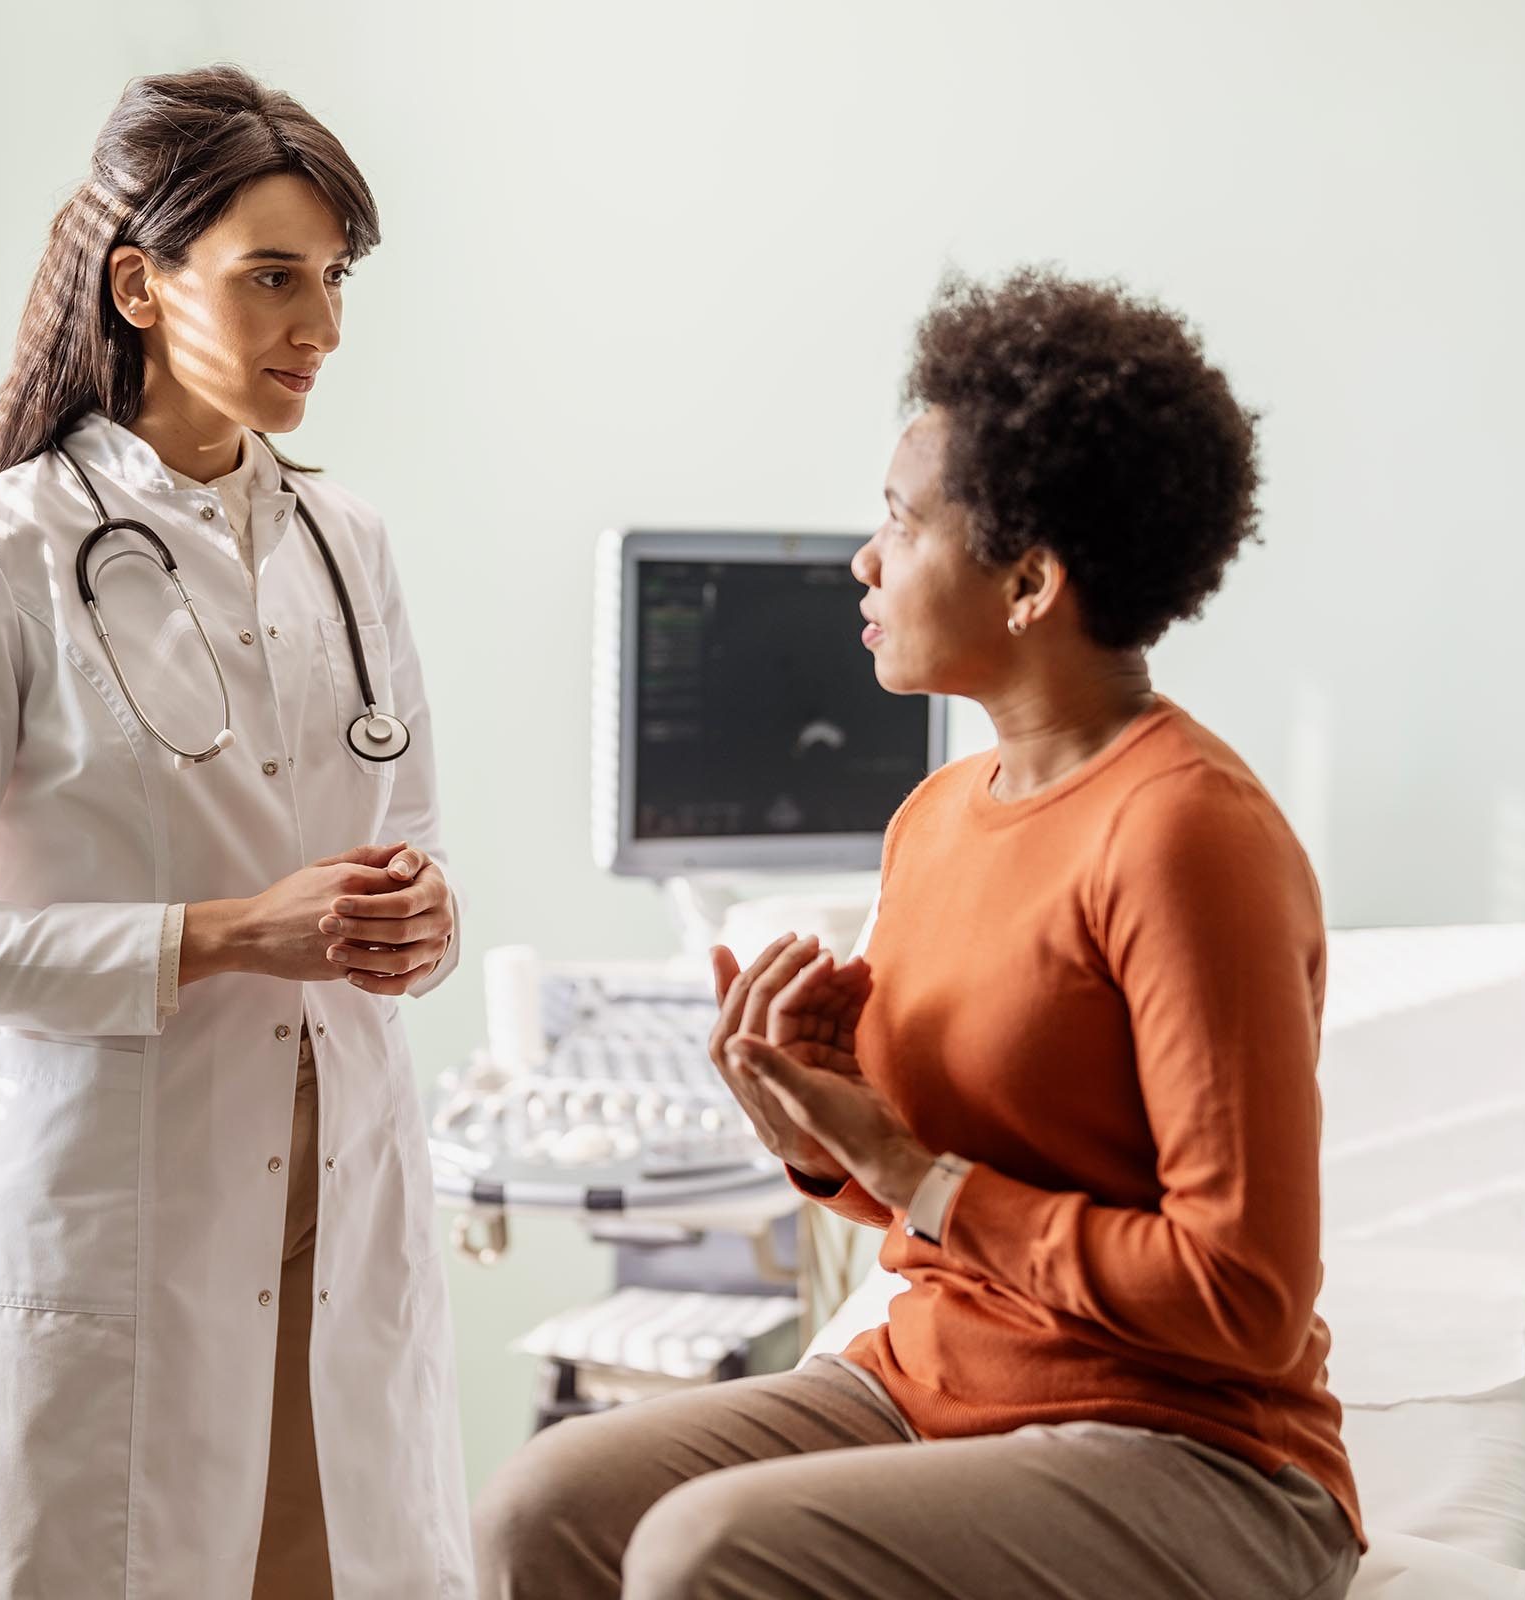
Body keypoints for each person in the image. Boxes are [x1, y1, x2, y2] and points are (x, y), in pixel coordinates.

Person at [474, 269, 1363, 1599]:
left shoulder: (1187, 836)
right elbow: (919, 1183)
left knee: (699, 1555)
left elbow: (1243, 1295)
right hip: (935, 1380)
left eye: (899, 518)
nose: (864, 558)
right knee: (541, 1505)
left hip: (1196, 1451)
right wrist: (819, 1127)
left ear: (1030, 581)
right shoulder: (936, 816)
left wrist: (909, 1162)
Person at [0, 65, 468, 1600]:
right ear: (139, 283)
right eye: (271, 278)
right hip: (122, 1212)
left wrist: (427, 919)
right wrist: (228, 935)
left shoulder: (351, 545)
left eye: (330, 281)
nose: (317, 327)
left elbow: (413, 842)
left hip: (341, 1192)